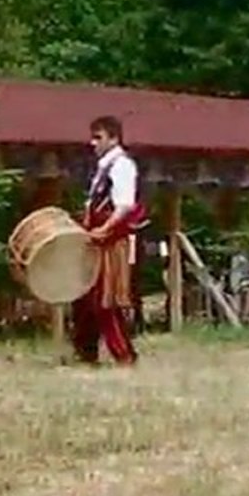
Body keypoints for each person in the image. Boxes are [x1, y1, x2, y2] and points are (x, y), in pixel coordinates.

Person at [71, 115, 148, 366]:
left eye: (98, 137)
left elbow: (124, 206)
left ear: (114, 139)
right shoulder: (104, 167)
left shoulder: (122, 165)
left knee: (106, 301)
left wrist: (104, 229)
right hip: (97, 239)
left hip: (111, 242)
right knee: (86, 298)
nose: (93, 143)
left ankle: (124, 355)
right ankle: (86, 353)